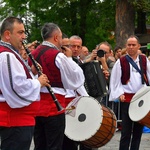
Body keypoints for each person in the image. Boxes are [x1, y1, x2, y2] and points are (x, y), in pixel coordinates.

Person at [30, 23, 87, 150]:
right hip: (54, 107)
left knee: (40, 145)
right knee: (54, 145)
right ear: (56, 37)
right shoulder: (58, 55)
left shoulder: (33, 53)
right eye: (61, 37)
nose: (61, 41)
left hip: (37, 107)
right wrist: (69, 59)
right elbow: (76, 79)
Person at [0, 16, 49, 150]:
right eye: (20, 32)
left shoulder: (9, 53)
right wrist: (38, 83)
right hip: (15, 121)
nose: (24, 36)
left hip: (18, 121)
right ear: (7, 34)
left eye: (24, 32)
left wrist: (32, 72)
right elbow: (17, 88)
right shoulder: (7, 55)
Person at [109, 35, 150, 150]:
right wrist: (119, 93)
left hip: (141, 100)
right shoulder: (121, 61)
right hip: (127, 99)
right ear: (126, 46)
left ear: (138, 46)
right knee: (126, 132)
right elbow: (115, 81)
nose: (131, 47)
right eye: (129, 45)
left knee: (138, 132)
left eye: (133, 45)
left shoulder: (144, 60)